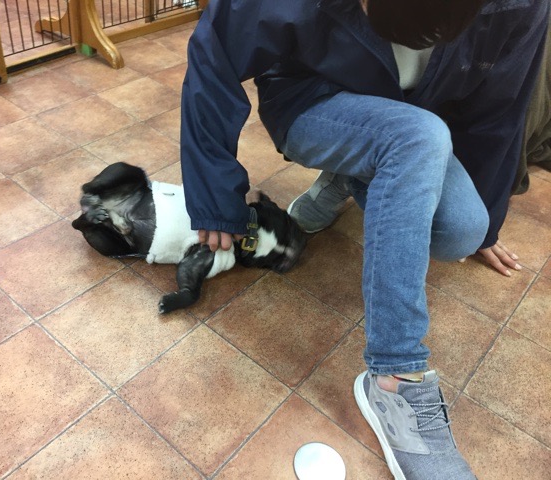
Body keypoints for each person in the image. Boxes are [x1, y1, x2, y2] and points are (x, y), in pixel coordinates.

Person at [179, 0, 549, 478]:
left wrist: (490, 219)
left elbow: (498, 112)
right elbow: (214, 57)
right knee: (416, 137)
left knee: (460, 231)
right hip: (310, 100)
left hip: (414, 115)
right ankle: (395, 378)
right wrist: (215, 195)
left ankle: (355, 170)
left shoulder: (522, 5)